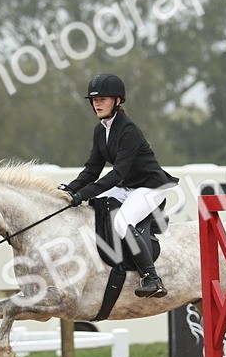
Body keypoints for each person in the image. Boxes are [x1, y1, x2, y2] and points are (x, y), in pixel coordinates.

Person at [59, 73, 178, 298]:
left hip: (150, 187)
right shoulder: (100, 130)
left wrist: (83, 193)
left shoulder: (128, 130)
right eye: (94, 100)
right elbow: (93, 169)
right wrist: (70, 190)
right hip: (127, 187)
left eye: (102, 99)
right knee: (94, 207)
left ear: (118, 101)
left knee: (123, 222)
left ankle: (152, 277)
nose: (97, 104)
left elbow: (117, 174)